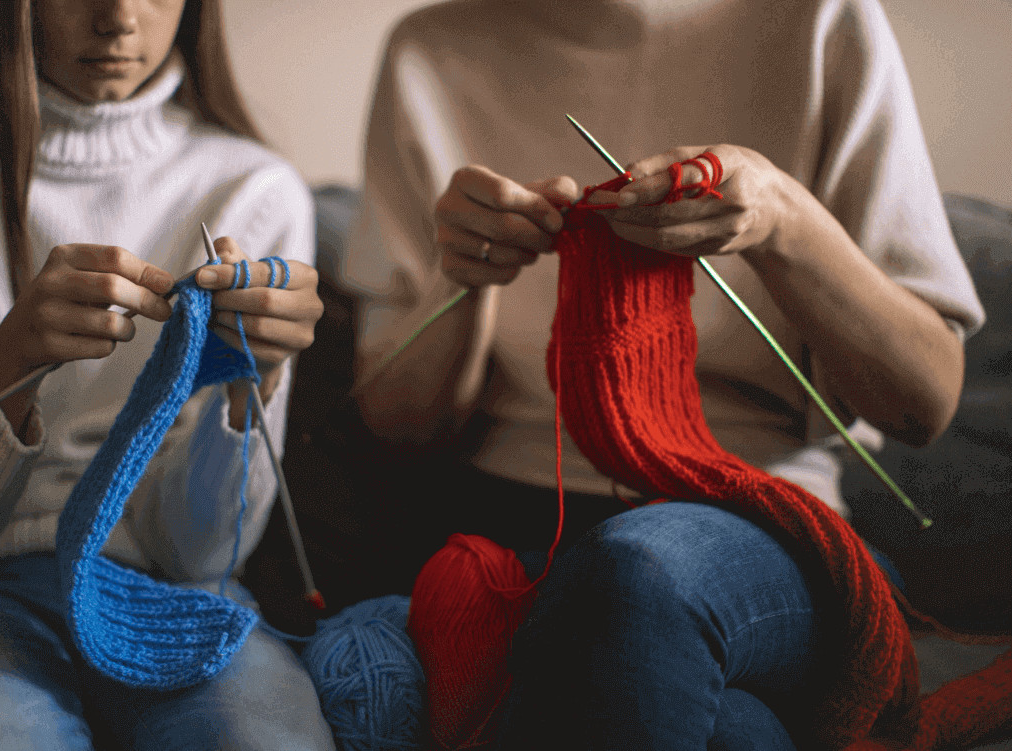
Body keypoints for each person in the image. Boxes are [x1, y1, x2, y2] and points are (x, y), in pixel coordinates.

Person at [341, 0, 986, 747]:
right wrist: (463, 278)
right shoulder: (430, 48)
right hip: (515, 524)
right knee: (735, 730)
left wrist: (784, 220)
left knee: (637, 573)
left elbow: (923, 405)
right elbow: (397, 424)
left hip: (760, 524)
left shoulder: (820, 21)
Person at [0, 1, 332, 748]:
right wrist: (10, 367)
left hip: (166, 584)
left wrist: (247, 388)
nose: (119, 17)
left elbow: (197, 554)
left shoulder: (256, 191)